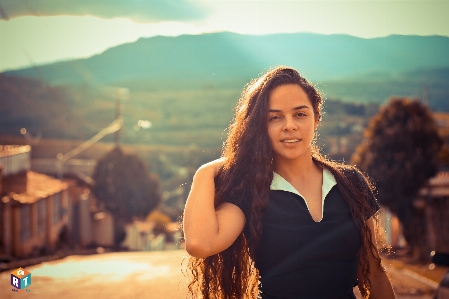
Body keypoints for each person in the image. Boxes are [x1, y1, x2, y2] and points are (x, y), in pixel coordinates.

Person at [183, 66, 395, 299]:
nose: (289, 125)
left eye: (300, 114)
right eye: (275, 117)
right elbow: (199, 244)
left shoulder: (351, 183)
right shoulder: (250, 192)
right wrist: (204, 172)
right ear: (260, 128)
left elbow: (374, 274)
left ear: (316, 119)